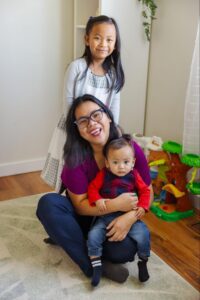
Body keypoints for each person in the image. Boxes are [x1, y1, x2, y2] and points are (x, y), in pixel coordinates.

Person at [36, 94, 153, 285]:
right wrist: (114, 205)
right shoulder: (75, 159)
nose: (91, 123)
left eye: (96, 115)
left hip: (113, 220)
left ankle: (67, 238)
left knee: (124, 251)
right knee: (48, 204)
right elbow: (80, 206)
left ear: (108, 116)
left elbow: (148, 191)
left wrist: (130, 217)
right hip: (84, 217)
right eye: (83, 121)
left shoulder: (129, 149)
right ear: (78, 130)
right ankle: (92, 266)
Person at [41, 15, 125, 191]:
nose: (103, 44)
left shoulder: (113, 74)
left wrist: (113, 128)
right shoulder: (77, 68)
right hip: (75, 127)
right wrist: (77, 128)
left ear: (115, 44)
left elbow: (115, 104)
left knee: (95, 166)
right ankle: (66, 196)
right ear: (87, 39)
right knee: (72, 164)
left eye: (109, 39)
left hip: (100, 129)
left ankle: (92, 198)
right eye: (97, 38)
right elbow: (68, 101)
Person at [87, 134, 151, 286]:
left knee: (143, 234)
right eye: (115, 162)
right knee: (93, 235)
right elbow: (92, 188)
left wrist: (142, 206)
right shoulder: (103, 175)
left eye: (126, 162)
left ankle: (143, 261)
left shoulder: (134, 175)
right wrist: (98, 199)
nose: (121, 167)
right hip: (106, 217)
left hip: (130, 217)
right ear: (107, 163)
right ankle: (96, 267)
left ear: (133, 162)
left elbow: (145, 191)